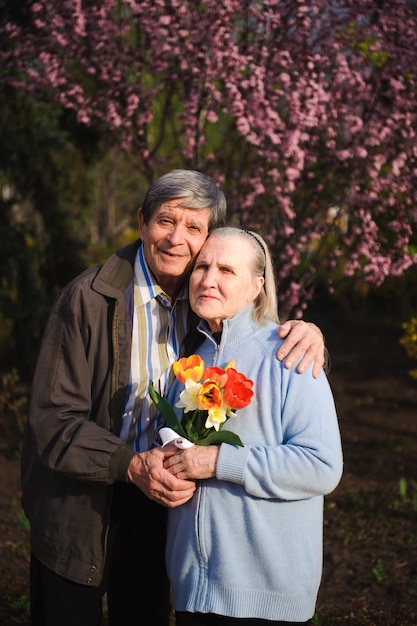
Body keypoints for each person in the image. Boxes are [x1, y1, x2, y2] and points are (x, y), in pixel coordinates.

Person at [21, 170, 326, 626]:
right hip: (80, 503)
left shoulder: (200, 305)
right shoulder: (88, 300)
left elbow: (255, 329)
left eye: (194, 228)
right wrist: (128, 463)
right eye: (166, 221)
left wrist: (310, 332)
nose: (177, 239)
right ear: (142, 222)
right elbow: (53, 421)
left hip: (160, 507)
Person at [163, 226, 343, 625]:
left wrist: (217, 462)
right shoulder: (186, 358)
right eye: (202, 266)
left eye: (226, 270)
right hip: (193, 591)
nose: (208, 279)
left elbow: (321, 465)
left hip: (265, 595)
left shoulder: (290, 355)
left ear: (256, 287)